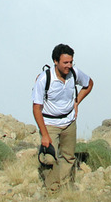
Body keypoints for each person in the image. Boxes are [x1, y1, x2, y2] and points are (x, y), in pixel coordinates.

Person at [32, 44, 94, 192]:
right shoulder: (44, 80)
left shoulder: (74, 73)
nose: (69, 65)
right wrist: (45, 134)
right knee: (49, 158)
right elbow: (36, 109)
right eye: (65, 62)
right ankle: (52, 189)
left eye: (71, 62)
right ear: (55, 61)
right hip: (50, 123)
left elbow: (89, 84)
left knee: (68, 156)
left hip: (69, 122)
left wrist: (77, 101)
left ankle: (66, 187)